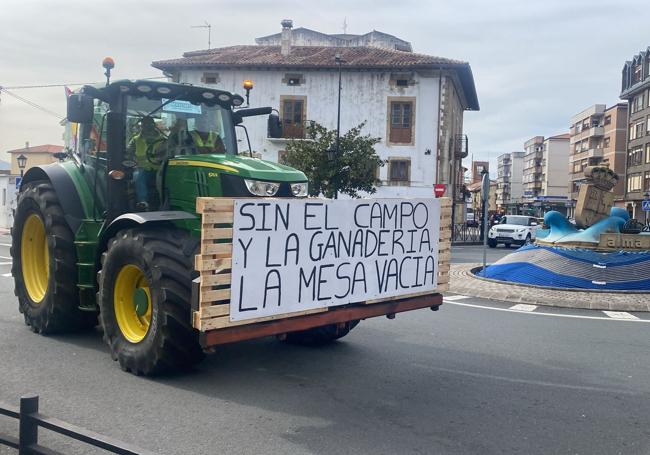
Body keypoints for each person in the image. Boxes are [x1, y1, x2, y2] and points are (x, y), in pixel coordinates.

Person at [127, 117, 165, 210]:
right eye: (145, 125)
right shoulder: (135, 140)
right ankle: (143, 202)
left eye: (150, 125)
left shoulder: (163, 140)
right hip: (142, 169)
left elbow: (167, 154)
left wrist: (160, 159)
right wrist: (130, 163)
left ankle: (165, 203)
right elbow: (128, 154)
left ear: (154, 126)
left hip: (160, 169)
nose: (147, 127)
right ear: (141, 127)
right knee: (139, 175)